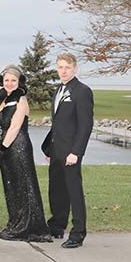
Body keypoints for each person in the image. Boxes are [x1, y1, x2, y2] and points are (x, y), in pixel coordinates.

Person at [41, 53, 94, 248]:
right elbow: (58, 123)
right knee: (56, 190)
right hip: (56, 150)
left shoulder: (82, 91)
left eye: (67, 68)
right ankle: (57, 225)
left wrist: (76, 152)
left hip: (71, 152)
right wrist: (49, 148)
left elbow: (85, 125)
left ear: (75, 69)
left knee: (74, 192)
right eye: (60, 67)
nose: (63, 71)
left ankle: (78, 233)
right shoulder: (58, 90)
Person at [0, 65, 51, 242]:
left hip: (18, 146)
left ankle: (29, 225)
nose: (9, 83)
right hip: (5, 147)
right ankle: (16, 222)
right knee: (12, 186)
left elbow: (15, 126)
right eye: (6, 80)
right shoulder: (2, 98)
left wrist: (3, 147)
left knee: (24, 184)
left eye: (13, 80)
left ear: (19, 82)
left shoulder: (21, 100)